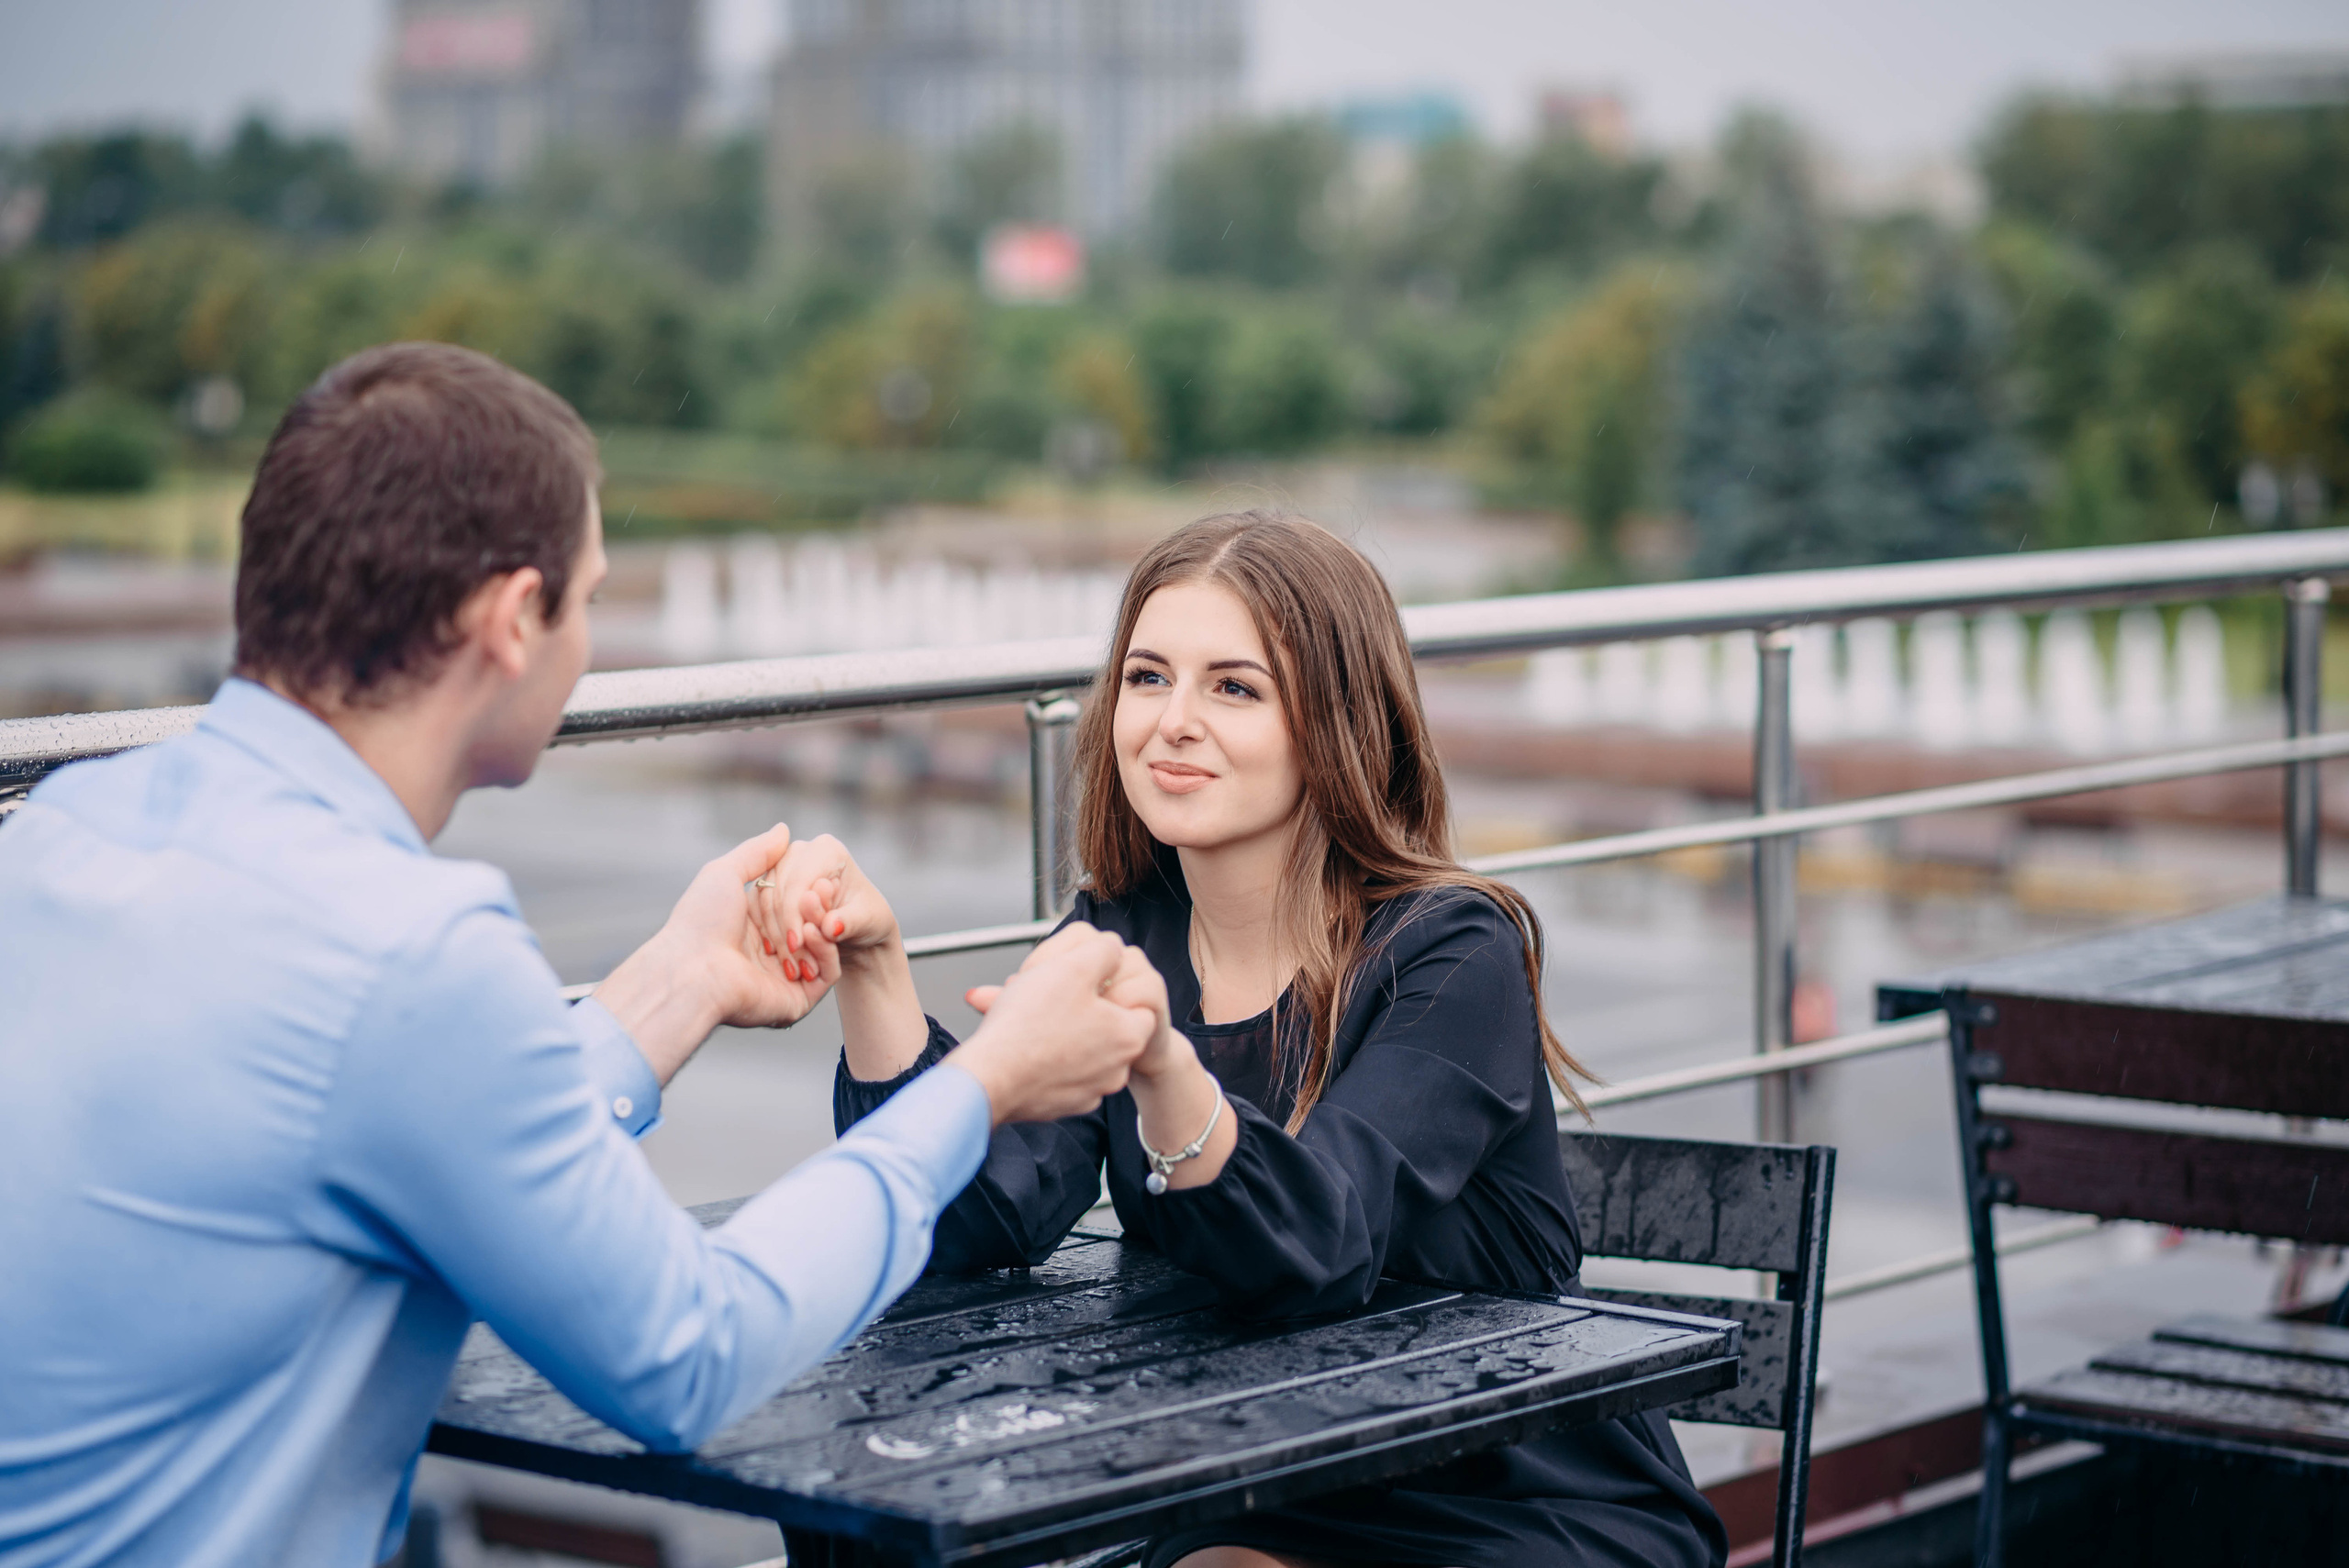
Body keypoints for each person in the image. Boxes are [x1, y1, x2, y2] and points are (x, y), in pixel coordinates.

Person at [0, 342, 1163, 1568]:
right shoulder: (413, 950)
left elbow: (394, 1107)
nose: (592, 642)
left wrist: (682, 979)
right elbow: (691, 1353)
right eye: (591, 599)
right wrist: (987, 1086)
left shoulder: (63, 833)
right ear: (513, 620)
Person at [756, 512, 1730, 1568]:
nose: (1172, 722)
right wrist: (874, 967)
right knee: (868, 1520)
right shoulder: (1122, 927)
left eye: (1234, 686)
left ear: (1337, 724)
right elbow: (989, 1212)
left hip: (1505, 1488)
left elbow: (1323, 1238)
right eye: (1146, 677)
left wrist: (1166, 1069)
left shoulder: (1451, 948)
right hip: (1261, 1476)